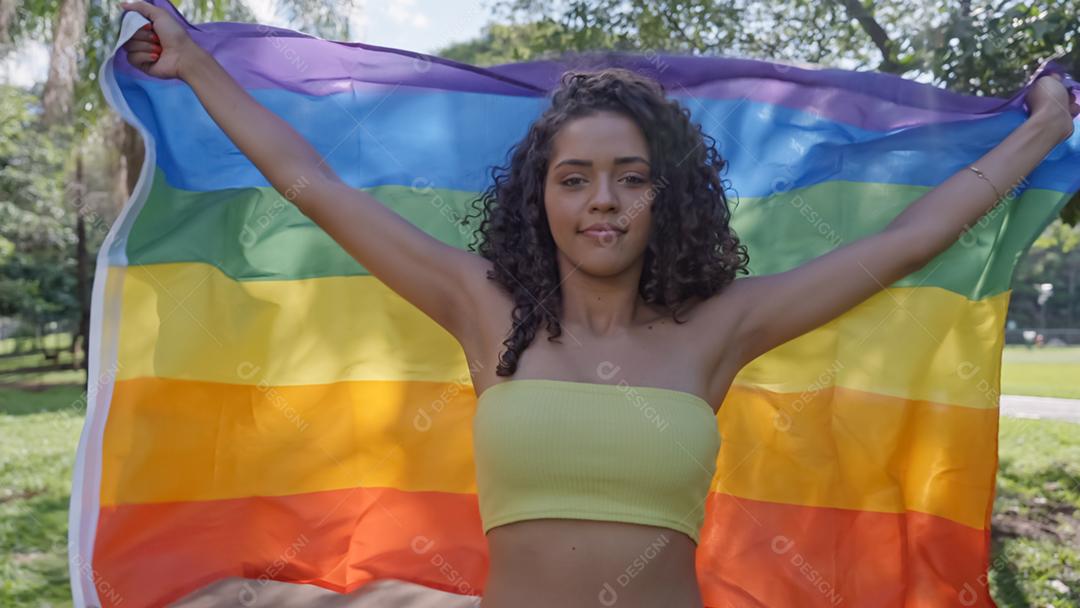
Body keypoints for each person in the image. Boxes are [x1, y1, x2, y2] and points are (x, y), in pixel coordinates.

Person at [117, 2, 1079, 607]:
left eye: (629, 177)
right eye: (574, 178)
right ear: (542, 197)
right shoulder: (477, 303)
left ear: (669, 195)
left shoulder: (723, 326)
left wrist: (1042, 131)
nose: (603, 201)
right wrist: (197, 64)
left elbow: (907, 240)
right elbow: (312, 185)